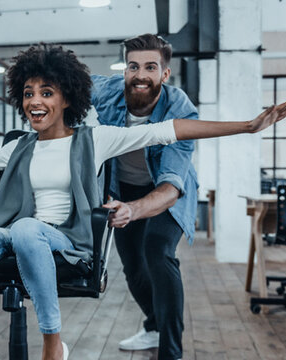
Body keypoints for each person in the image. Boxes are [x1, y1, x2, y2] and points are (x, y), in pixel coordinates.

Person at [0, 44, 286, 360]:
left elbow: (171, 130)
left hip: (65, 239)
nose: (35, 101)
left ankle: (53, 342)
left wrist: (247, 126)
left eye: (46, 92)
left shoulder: (95, 139)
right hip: (22, 232)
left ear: (67, 99)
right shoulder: (20, 146)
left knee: (27, 230)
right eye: (28, 93)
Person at [90, 34, 196, 360]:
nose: (140, 75)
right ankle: (153, 326)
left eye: (150, 67)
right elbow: (68, 78)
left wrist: (133, 210)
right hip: (124, 188)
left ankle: (171, 352)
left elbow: (171, 185)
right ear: (125, 70)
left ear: (164, 74)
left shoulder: (180, 109)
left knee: (157, 251)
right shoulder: (108, 91)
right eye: (133, 66)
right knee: (133, 266)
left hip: (165, 191)